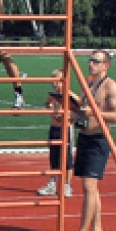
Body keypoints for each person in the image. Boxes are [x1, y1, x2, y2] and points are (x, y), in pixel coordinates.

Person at [66, 51, 116, 231]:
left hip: (99, 139)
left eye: (96, 61)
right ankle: (97, 229)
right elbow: (83, 111)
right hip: (85, 137)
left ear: (105, 65)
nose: (91, 64)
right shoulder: (89, 85)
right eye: (90, 60)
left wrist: (93, 111)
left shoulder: (112, 87)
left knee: (89, 185)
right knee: (91, 187)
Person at [39, 69, 76, 198]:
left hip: (66, 129)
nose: (54, 84)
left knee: (67, 159)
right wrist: (50, 107)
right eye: (53, 81)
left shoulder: (69, 95)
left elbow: (78, 110)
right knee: (54, 157)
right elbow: (47, 103)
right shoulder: (54, 95)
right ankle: (52, 184)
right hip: (54, 128)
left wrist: (66, 116)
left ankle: (67, 185)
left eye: (57, 81)